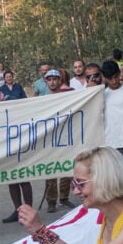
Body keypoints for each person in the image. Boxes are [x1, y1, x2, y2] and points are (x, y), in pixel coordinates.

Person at [42, 69, 75, 213]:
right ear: (46, 81)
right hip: (50, 137)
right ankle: (51, 200)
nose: (52, 82)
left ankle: (64, 197)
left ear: (59, 80)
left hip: (65, 135)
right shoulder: (42, 99)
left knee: (67, 166)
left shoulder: (67, 96)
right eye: (49, 79)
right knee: (50, 170)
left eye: (55, 79)